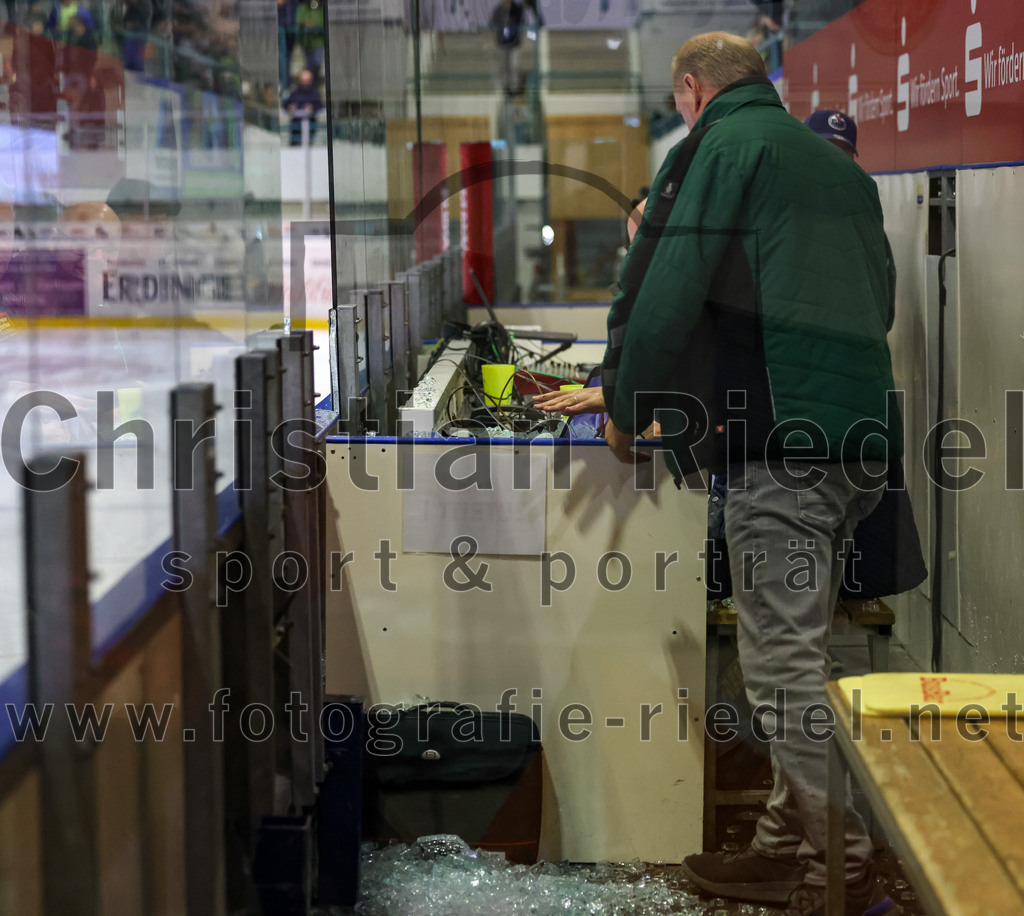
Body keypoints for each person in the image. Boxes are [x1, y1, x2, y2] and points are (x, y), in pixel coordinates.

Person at [602, 33, 901, 916]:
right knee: (795, 657)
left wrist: (625, 400)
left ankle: (843, 868)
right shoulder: (837, 168)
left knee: (780, 673)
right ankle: (782, 848)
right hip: (860, 447)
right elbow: (881, 300)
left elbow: (661, 286)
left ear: (692, 91)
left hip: (783, 452)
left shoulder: (717, 149)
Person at [285, 68, 323, 146]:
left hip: (310, 123)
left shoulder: (315, 93)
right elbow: (286, 104)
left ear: (310, 81)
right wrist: (290, 106)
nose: (304, 83)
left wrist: (312, 107)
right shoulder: (295, 93)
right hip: (296, 125)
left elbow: (320, 105)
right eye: (303, 81)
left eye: (306, 81)